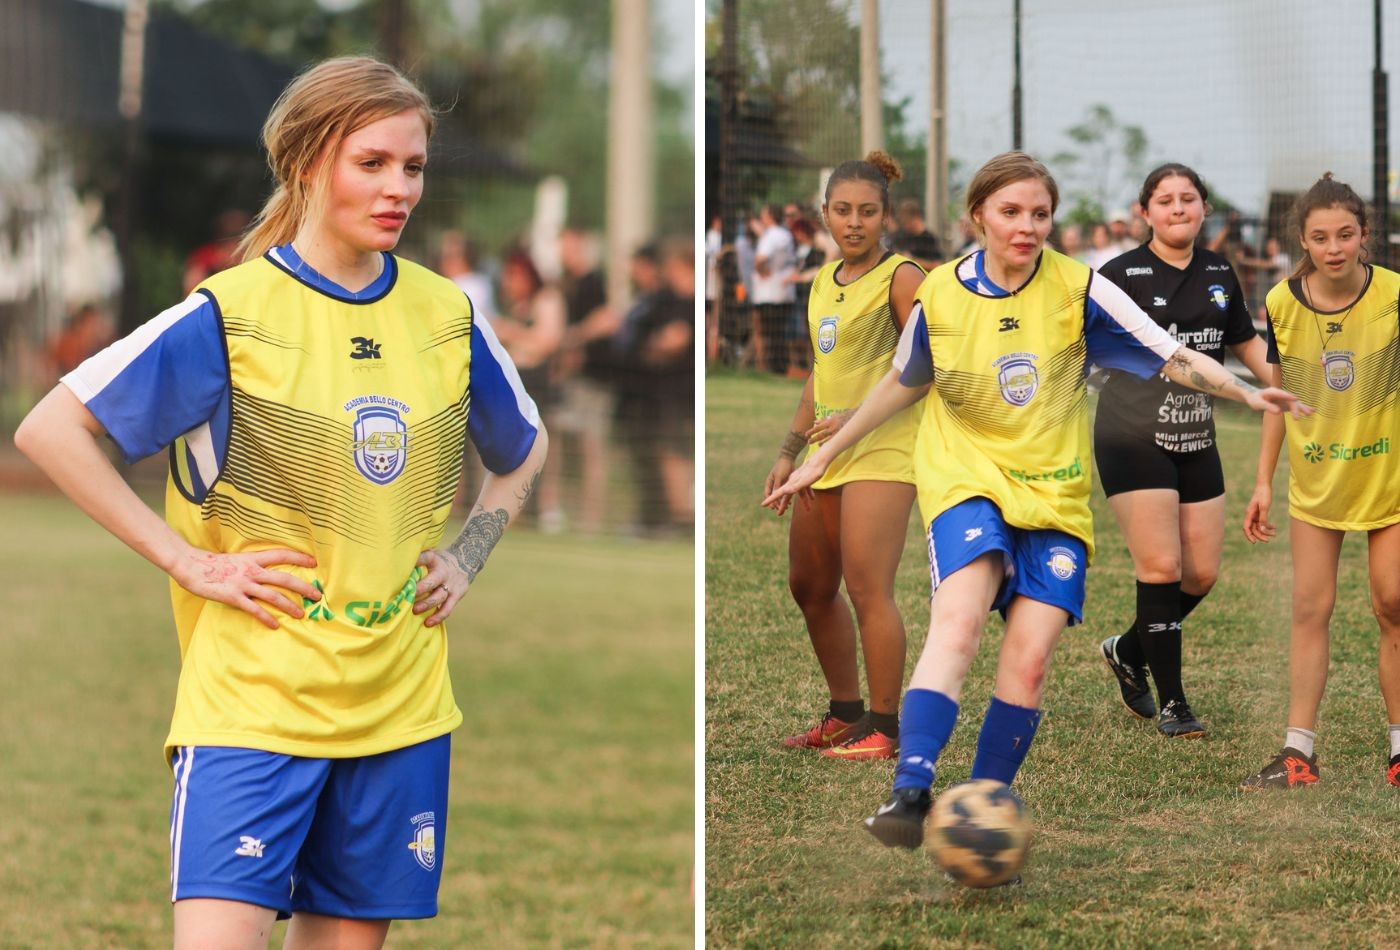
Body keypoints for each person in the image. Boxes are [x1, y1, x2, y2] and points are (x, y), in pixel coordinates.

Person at [13, 56, 548, 947]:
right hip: (253, 705)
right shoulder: (231, 312)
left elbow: (523, 447)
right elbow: (51, 429)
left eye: (411, 167)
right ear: (306, 163)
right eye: (370, 163)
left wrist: (469, 552)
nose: (398, 188)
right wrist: (188, 561)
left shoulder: (448, 313)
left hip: (399, 710)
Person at [764, 152, 1308, 850]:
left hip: (1053, 497)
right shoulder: (942, 290)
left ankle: (985, 806)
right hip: (967, 482)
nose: (1026, 228)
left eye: (1040, 214)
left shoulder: (1079, 287)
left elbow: (1170, 352)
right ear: (979, 216)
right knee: (957, 621)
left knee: (1029, 660)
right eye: (1011, 212)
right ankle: (910, 789)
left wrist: (1248, 390)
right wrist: (823, 455)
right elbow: (903, 380)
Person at [1094, 163, 1273, 738]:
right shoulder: (1120, 273)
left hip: (1197, 435)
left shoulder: (1221, 269)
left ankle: (1127, 648)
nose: (1178, 209)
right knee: (1162, 567)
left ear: (1203, 209)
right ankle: (1174, 704)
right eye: (1165, 200)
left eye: (1188, 199)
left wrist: (1285, 383)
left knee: (1200, 575)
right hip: (1131, 433)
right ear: (1145, 212)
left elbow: (1243, 342)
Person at [1240, 174, 1400, 791]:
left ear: (1365, 235)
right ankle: (1297, 753)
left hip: (1387, 478)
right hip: (1317, 483)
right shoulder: (1281, 303)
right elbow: (1279, 398)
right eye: (1319, 237)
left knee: (1392, 603)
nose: (1334, 248)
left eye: (1345, 234)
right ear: (1303, 241)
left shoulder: (1393, 295)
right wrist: (1261, 483)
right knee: (1311, 608)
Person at [764, 150, 924, 761]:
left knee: (867, 587)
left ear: (887, 216)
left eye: (867, 211)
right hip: (824, 456)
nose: (853, 222)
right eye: (842, 210)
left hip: (883, 449)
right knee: (809, 586)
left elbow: (927, 364)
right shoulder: (823, 282)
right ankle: (845, 714)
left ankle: (886, 728)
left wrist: (861, 416)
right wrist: (790, 449)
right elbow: (818, 373)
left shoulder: (903, 277)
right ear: (824, 214)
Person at [751, 204, 797, 374]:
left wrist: (760, 270)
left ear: (770, 216)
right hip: (784, 290)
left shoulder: (770, 236)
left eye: (763, 214)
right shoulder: (785, 234)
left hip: (769, 292)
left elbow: (760, 259)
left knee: (769, 333)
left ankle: (772, 369)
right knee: (779, 332)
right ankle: (780, 368)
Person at [889, 197, 945, 271]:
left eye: (907, 221)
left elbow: (938, 264)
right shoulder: (905, 236)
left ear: (916, 217)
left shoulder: (928, 238)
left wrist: (912, 260)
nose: (905, 226)